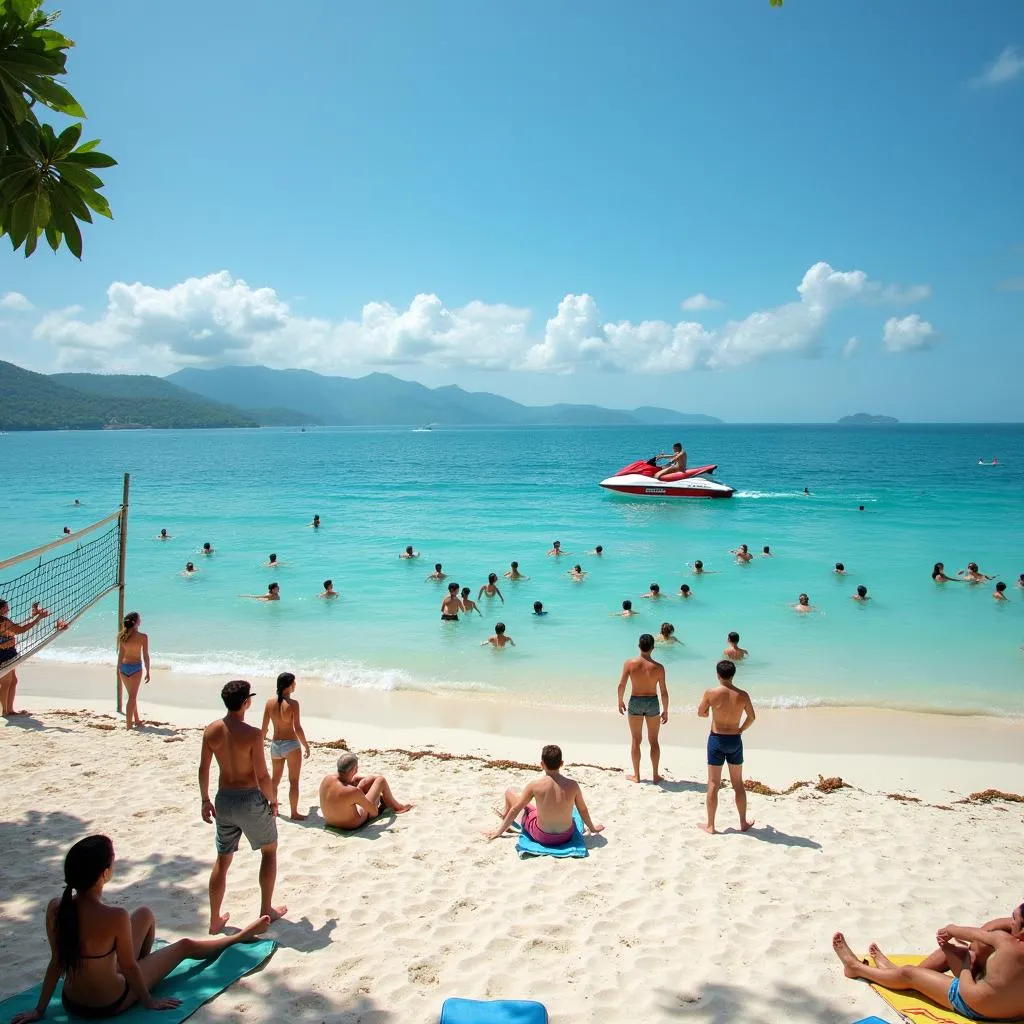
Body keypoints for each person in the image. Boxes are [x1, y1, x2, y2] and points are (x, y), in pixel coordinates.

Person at [9, 835, 269, 1024]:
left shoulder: (56, 907)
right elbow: (129, 967)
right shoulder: (114, 916)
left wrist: (39, 1010)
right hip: (111, 1001)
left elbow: (56, 962)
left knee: (144, 914)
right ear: (104, 873)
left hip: (71, 1000)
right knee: (184, 946)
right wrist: (148, 1001)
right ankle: (239, 936)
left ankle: (149, 967)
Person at [199, 679, 285, 933]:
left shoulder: (211, 731)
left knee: (222, 860)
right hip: (249, 798)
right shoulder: (252, 734)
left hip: (224, 798)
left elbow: (204, 768)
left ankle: (214, 920)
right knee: (269, 851)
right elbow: (263, 775)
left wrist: (205, 799)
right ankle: (265, 910)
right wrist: (272, 800)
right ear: (246, 702)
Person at [831, 925, 1024, 1023]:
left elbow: (971, 995)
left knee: (910, 974)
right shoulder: (1011, 945)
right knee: (950, 951)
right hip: (1013, 1013)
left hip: (977, 1007)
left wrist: (966, 967)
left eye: (1013, 920)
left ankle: (855, 968)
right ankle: (892, 972)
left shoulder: (1006, 944)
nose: (1009, 922)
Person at [484, 744, 603, 843]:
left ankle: (505, 819)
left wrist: (498, 832)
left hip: (542, 836)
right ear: (561, 763)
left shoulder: (535, 785)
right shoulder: (573, 785)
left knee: (510, 793)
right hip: (566, 836)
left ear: (542, 764)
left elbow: (515, 809)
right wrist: (592, 828)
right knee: (535, 810)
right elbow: (583, 810)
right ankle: (507, 820)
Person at [697, 660, 755, 834]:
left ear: (717, 675)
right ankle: (743, 823)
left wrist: (708, 712)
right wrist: (741, 729)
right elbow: (752, 717)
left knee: (714, 783)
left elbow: (701, 712)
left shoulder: (711, 693)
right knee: (738, 783)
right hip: (735, 740)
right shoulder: (743, 695)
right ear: (733, 674)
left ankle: (711, 826)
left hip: (716, 740)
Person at [617, 633, 669, 783]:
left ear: (639, 646)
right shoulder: (659, 668)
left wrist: (620, 701)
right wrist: (665, 710)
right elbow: (664, 692)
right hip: (652, 702)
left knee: (635, 740)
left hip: (636, 701)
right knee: (654, 741)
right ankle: (655, 775)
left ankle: (637, 776)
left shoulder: (629, 664)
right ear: (653, 648)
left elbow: (621, 685)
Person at [261, 672, 310, 821]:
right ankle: (294, 812)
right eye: (294, 683)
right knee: (293, 781)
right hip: (291, 745)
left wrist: (261, 742)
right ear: (289, 686)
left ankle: (273, 807)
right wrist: (306, 746)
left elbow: (264, 728)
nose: (295, 685)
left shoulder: (269, 703)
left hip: (275, 745)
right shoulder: (293, 704)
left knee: (275, 780)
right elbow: (298, 728)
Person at [319, 752, 412, 830]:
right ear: (355, 769)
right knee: (380, 780)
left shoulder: (326, 779)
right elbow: (374, 812)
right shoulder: (353, 791)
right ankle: (399, 808)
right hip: (351, 824)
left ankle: (385, 800)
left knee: (366, 780)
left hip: (330, 821)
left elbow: (341, 787)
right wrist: (376, 801)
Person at [0, 596, 49, 717]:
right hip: (3, 655)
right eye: (6, 607)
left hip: (9, 652)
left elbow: (15, 628)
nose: (8, 608)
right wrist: (38, 618)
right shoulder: (2, 621)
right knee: (6, 682)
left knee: (13, 681)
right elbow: (21, 629)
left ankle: (10, 710)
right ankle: (5, 711)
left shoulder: (4, 620)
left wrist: (34, 615)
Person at [117, 612, 150, 731]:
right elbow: (145, 655)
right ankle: (128, 725)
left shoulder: (122, 636)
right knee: (132, 697)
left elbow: (120, 655)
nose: (141, 620)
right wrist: (148, 671)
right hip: (135, 668)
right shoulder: (143, 637)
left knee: (132, 696)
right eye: (139, 619)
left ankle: (136, 719)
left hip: (124, 668)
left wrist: (118, 669)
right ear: (135, 622)